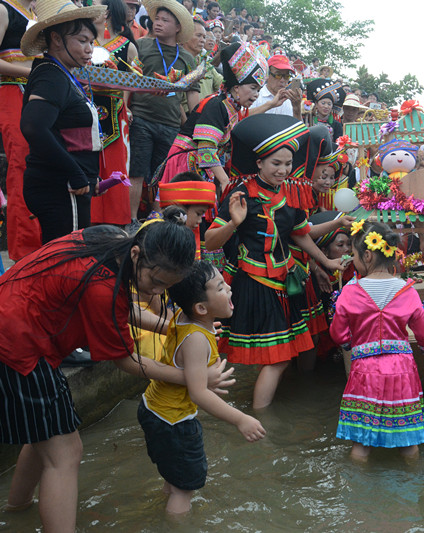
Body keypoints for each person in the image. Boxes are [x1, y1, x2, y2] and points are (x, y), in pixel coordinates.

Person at [0, 208, 234, 531]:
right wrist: (193, 378)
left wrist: (171, 329)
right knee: (66, 453)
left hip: (17, 316)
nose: (153, 293)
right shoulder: (104, 286)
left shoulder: (114, 241)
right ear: (138, 255)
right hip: (18, 341)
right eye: (153, 282)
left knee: (43, 434)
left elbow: (119, 311)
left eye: (163, 288)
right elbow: (125, 360)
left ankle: (17, 509)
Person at [204, 114, 343, 409]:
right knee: (278, 359)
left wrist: (327, 261)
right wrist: (234, 223)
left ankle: (262, 411)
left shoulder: (290, 192)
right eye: (275, 164)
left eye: (287, 164)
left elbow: (301, 234)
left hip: (282, 280)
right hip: (255, 282)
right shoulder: (241, 192)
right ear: (259, 163)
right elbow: (210, 239)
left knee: (276, 354)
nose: (282, 170)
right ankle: (259, 421)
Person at [138, 260, 265, 515]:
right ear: (201, 307)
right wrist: (240, 419)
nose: (228, 288)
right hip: (174, 420)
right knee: (185, 489)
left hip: (155, 410)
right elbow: (198, 393)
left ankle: (167, 505)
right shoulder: (197, 339)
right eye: (220, 287)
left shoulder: (185, 317)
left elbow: (191, 375)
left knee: (176, 480)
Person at [330, 222, 424, 460]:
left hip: (364, 370)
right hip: (401, 370)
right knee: (409, 443)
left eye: (355, 255)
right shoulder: (407, 290)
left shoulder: (350, 291)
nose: (353, 260)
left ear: (367, 255)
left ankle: (360, 494)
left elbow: (337, 334)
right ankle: (412, 491)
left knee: (361, 445)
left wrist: (349, 343)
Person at [19, 0, 108, 245]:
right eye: (82, 41)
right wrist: (76, 174)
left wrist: (88, 176)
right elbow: (33, 126)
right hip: (61, 187)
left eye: (91, 42)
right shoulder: (51, 76)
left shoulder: (61, 75)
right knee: (67, 259)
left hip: (68, 185)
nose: (89, 49)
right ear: (57, 39)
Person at [162, 41, 267, 196]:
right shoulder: (216, 105)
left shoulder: (231, 108)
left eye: (258, 90)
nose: (256, 94)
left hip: (201, 167)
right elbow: (206, 149)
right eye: (253, 88)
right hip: (185, 165)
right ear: (236, 88)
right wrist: (225, 181)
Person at [127, 0, 199, 222]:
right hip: (141, 118)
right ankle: (130, 220)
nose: (157, 23)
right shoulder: (140, 46)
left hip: (170, 125)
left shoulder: (188, 59)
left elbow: (193, 95)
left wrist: (197, 125)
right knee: (137, 172)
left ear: (178, 27)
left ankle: (157, 217)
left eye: (165, 20)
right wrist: (126, 110)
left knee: (164, 176)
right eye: (157, 19)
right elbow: (129, 81)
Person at [89, 0, 138, 227]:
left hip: (116, 110)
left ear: (107, 12)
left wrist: (125, 103)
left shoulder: (127, 46)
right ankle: (89, 216)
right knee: (89, 161)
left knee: (116, 164)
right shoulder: (85, 42)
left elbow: (131, 82)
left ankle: (115, 221)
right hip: (84, 108)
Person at [0, 0, 41, 260]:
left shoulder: (37, 13)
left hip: (36, 93)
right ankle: (23, 248)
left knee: (37, 165)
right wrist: (31, 73)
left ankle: (38, 244)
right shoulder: (3, 9)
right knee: (21, 165)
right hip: (11, 92)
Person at [249, 53, 302, 118]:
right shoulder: (256, 96)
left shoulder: (289, 101)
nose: (282, 80)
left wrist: (297, 108)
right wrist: (270, 105)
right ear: (267, 75)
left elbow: (300, 127)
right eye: (278, 75)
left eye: (286, 76)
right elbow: (240, 118)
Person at [306, 77, 344, 142]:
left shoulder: (337, 125)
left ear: (332, 106)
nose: (326, 106)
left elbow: (338, 145)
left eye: (329, 104)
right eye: (323, 103)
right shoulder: (308, 120)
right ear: (316, 104)